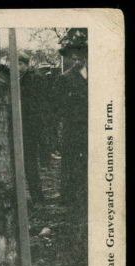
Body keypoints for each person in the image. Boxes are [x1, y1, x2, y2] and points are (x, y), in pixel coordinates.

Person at [57, 33, 88, 208]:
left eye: (80, 58)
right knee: (70, 160)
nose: (77, 61)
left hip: (90, 126)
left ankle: (86, 193)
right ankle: (68, 196)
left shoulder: (97, 75)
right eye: (73, 58)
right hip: (72, 126)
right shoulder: (65, 78)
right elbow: (59, 104)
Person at [18, 53, 45, 203]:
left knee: (30, 163)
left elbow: (38, 103)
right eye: (15, 64)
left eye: (21, 64)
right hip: (20, 125)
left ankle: (38, 197)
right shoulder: (17, 79)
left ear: (27, 65)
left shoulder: (35, 78)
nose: (18, 67)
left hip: (30, 126)